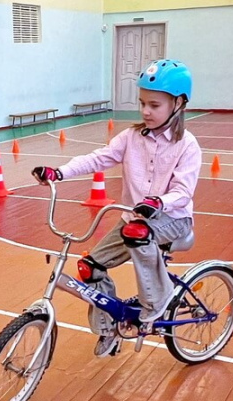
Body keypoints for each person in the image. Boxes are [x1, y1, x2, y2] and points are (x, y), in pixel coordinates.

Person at [32, 59, 202, 357]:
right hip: (136, 220)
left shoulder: (187, 146)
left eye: (155, 105)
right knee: (90, 267)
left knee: (137, 232)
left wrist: (159, 201)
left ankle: (158, 299)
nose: (146, 111)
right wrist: (59, 172)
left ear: (179, 104)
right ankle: (110, 329)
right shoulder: (131, 138)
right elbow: (98, 158)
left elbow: (183, 192)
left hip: (173, 219)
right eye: (142, 103)